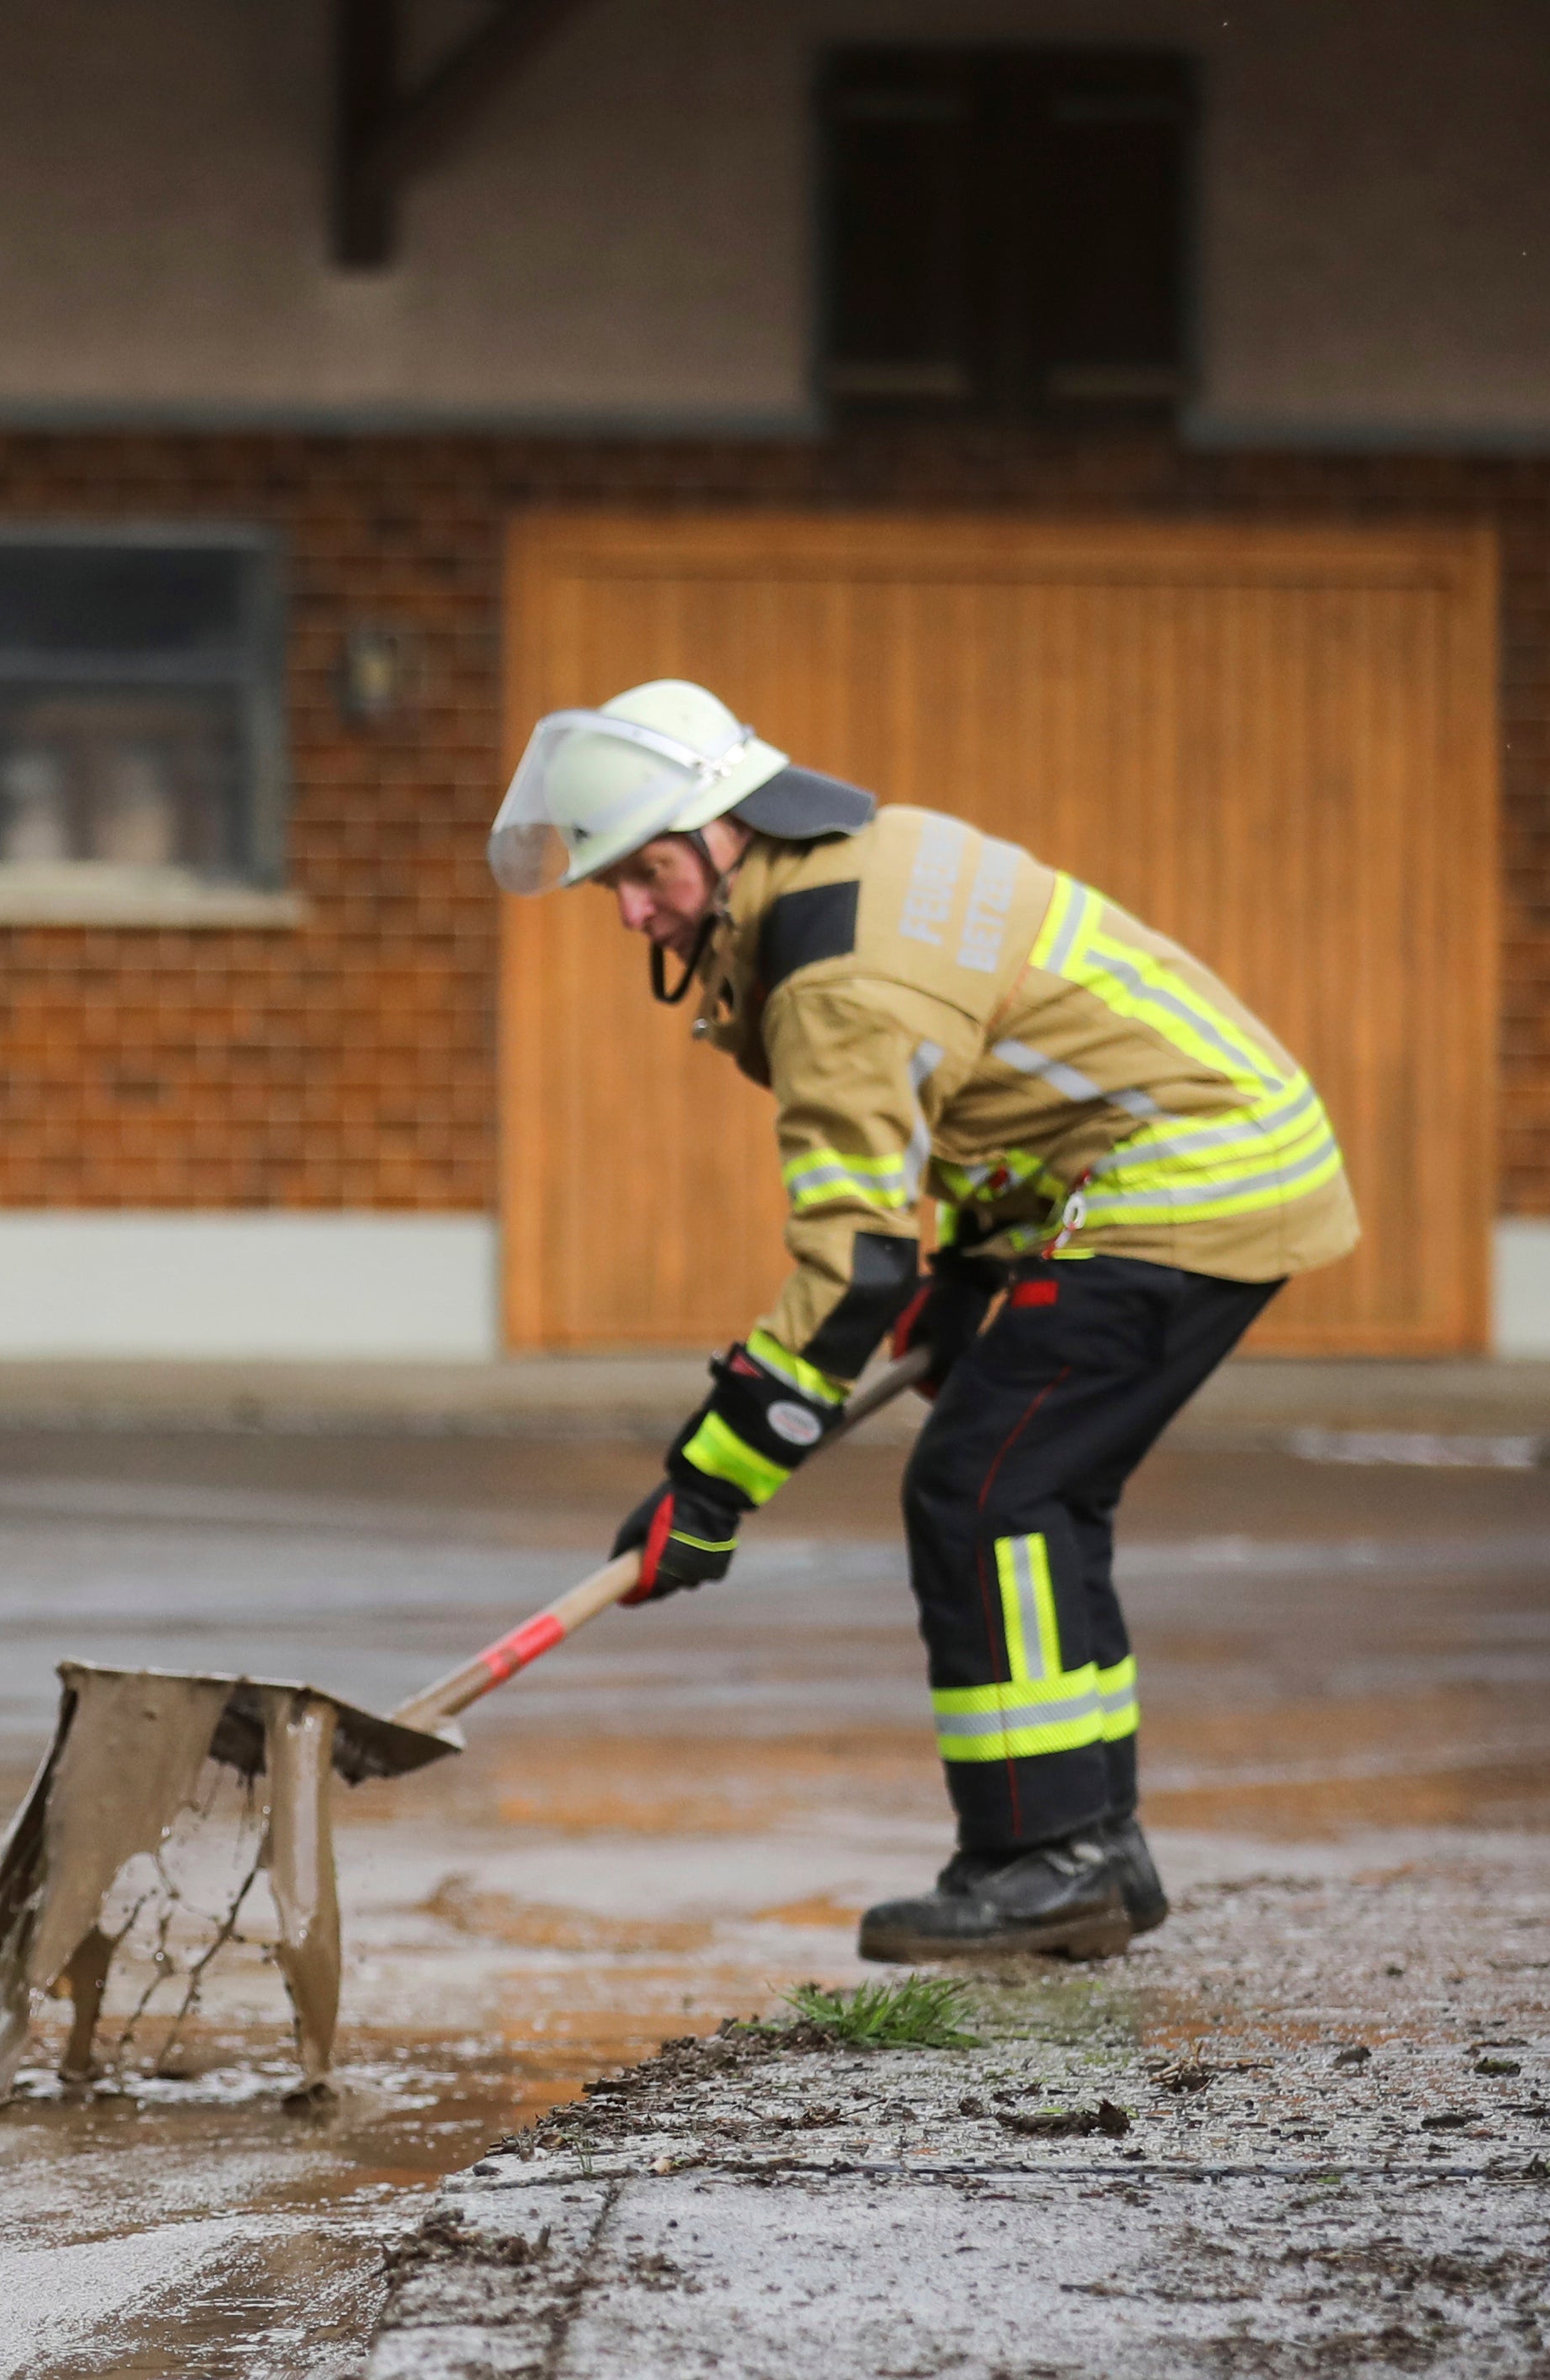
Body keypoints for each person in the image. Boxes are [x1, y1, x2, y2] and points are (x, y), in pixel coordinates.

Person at [492, 681, 1359, 1963]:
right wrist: (971, 1276)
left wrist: (710, 1483)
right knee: (1039, 1487)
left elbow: (851, 1271)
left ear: (729, 829)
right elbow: (998, 1086)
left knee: (986, 1487)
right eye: (610, 883)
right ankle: (1094, 1850)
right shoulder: (865, 854)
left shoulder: (833, 975)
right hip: (1204, 1150)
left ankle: (1042, 1861)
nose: (630, 910)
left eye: (650, 871)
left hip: (1187, 1177)